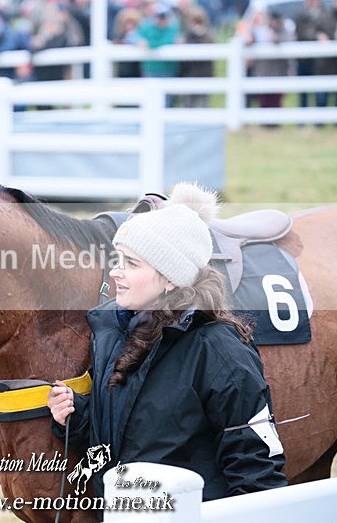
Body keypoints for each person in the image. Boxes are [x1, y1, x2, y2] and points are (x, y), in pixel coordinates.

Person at [48, 183, 287, 508]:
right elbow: (117, 442)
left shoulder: (220, 352)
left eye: (132, 263)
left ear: (171, 278)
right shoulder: (111, 333)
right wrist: (76, 416)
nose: (115, 272)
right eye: (118, 260)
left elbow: (257, 472)